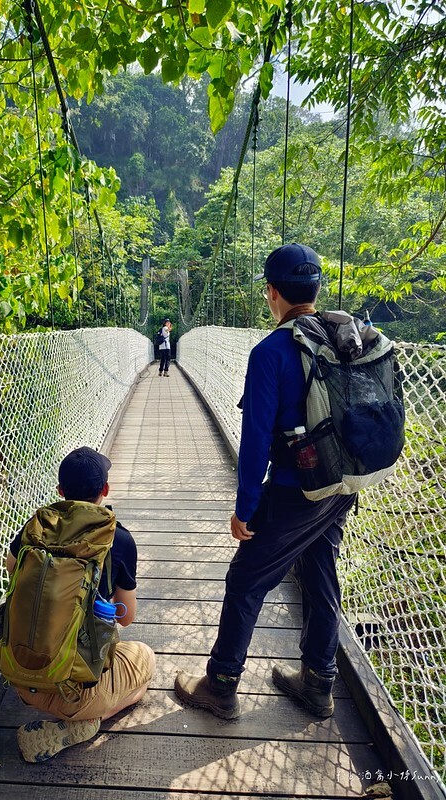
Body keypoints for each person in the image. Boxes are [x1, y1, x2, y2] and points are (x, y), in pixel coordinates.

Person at [174, 243, 356, 720]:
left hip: (296, 490)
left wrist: (245, 508)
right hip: (343, 485)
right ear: (316, 289)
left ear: (272, 293)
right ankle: (318, 683)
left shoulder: (272, 351)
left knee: (246, 580)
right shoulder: (346, 336)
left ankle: (220, 684)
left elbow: (255, 440)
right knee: (320, 574)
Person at [7, 447, 156, 762]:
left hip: (22, 676)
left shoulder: (36, 527)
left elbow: (10, 566)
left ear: (60, 492)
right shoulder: (119, 539)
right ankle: (83, 723)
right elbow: (127, 617)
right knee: (144, 662)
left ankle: (76, 714)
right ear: (105, 490)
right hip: (76, 692)